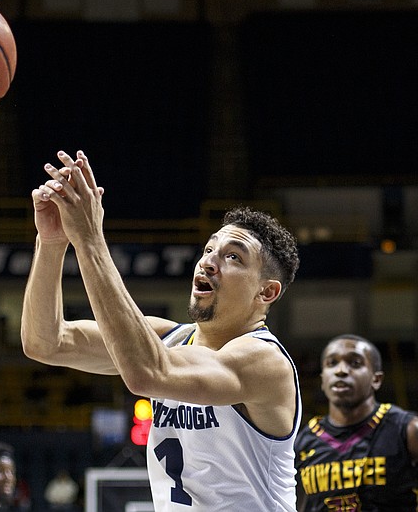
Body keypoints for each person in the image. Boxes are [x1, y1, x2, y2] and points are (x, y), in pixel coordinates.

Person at [21, 150, 302, 511]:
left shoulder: (264, 361)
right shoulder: (167, 340)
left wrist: (90, 240)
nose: (209, 261)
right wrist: (52, 243)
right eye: (209, 249)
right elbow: (45, 342)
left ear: (266, 292)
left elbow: (147, 373)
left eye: (233, 257)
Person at [294, 334, 418, 511]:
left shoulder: (407, 430)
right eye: (332, 363)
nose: (341, 370)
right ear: (322, 380)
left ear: (376, 379)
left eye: (355, 363)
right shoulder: (302, 442)